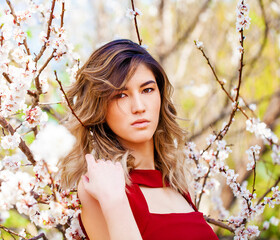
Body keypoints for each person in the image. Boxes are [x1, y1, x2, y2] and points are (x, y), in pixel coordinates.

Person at [57, 39, 218, 240]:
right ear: (99, 106)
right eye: (120, 95)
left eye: (147, 90)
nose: (139, 106)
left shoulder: (180, 185)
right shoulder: (98, 188)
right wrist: (115, 202)